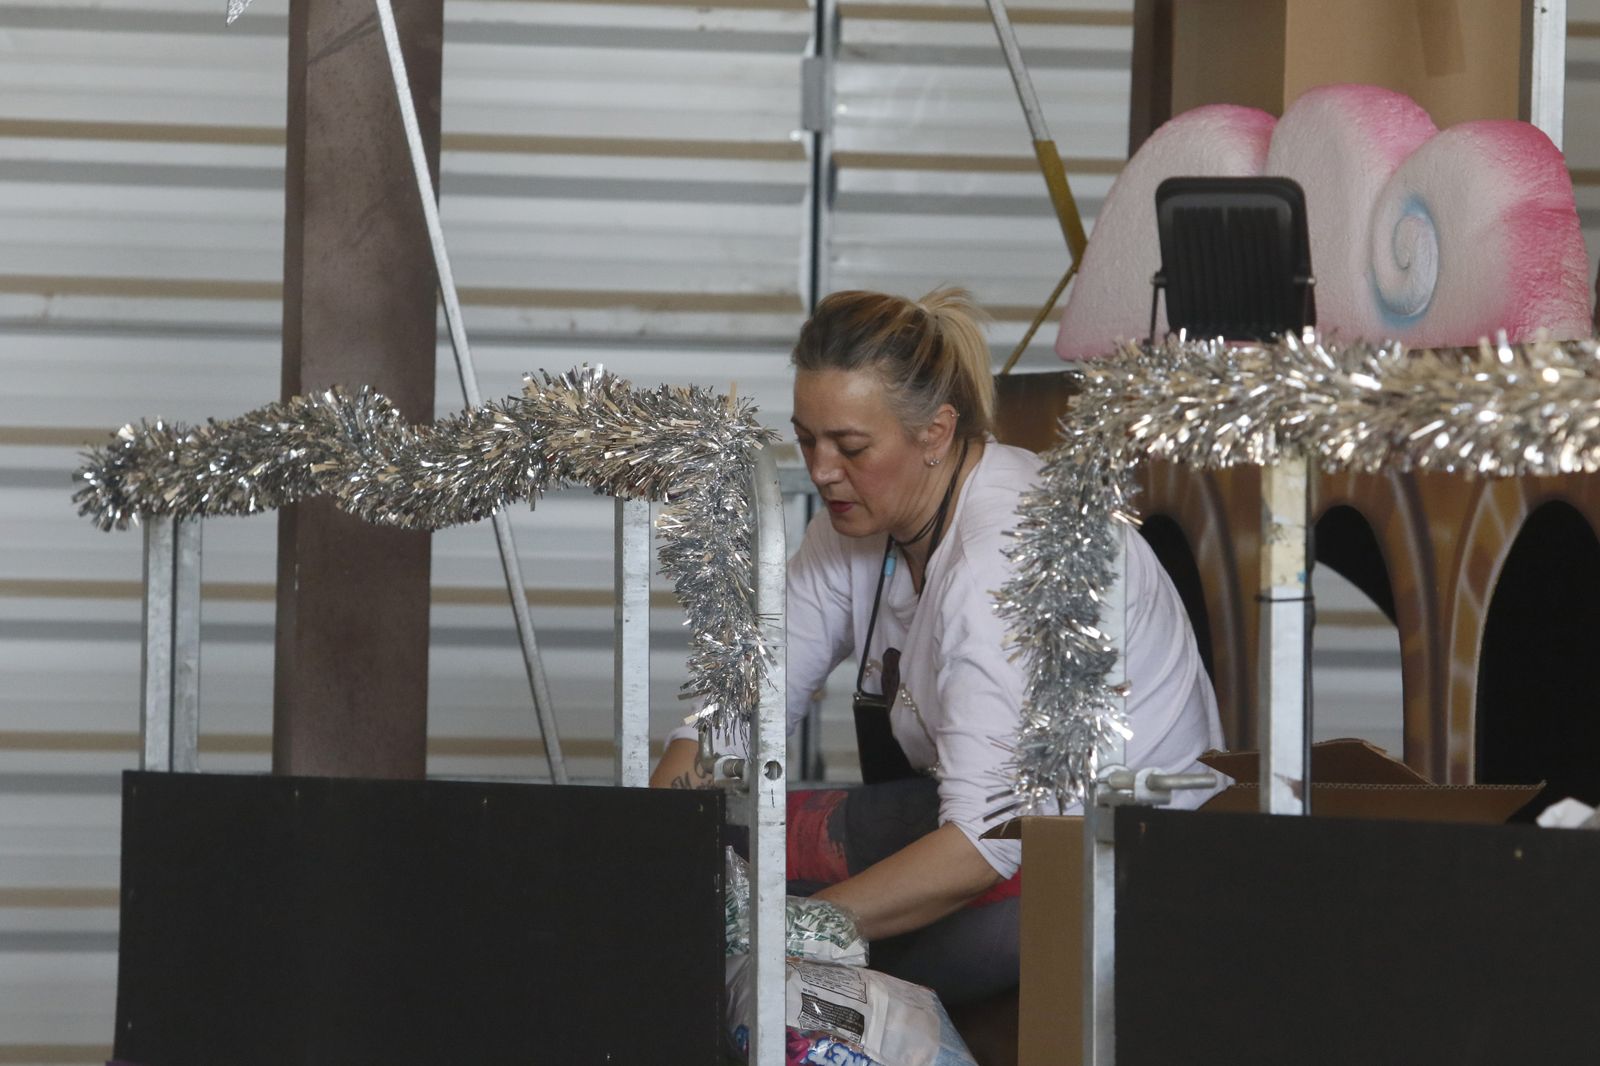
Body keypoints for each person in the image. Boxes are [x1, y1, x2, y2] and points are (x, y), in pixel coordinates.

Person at [651, 287, 1223, 1007]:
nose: (823, 470)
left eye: (851, 447)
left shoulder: (1001, 558)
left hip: (1118, 864)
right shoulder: (857, 520)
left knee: (799, 972)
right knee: (720, 854)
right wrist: (657, 854)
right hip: (982, 825)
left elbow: (986, 845)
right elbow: (739, 709)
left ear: (936, 433)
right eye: (807, 439)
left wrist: (788, 930)